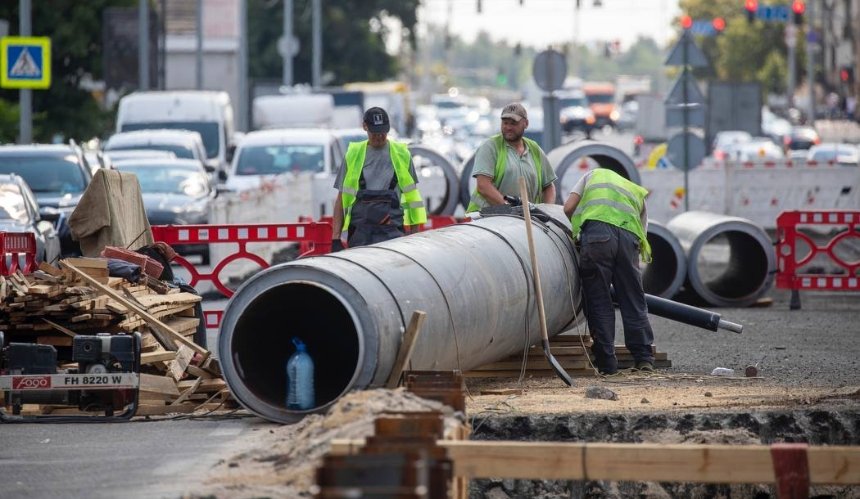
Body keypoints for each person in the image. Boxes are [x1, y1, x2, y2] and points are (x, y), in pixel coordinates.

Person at [563, 167, 655, 375]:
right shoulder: (635, 191)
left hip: (597, 236)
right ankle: (643, 359)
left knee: (599, 300)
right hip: (629, 239)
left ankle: (607, 364)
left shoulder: (592, 175)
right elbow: (642, 231)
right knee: (633, 299)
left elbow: (568, 208)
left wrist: (578, 233)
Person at [331, 107, 426, 250]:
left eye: (383, 132)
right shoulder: (353, 155)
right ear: (365, 127)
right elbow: (341, 199)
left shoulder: (402, 154)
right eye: (375, 132)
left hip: (393, 233)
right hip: (360, 234)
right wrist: (335, 238)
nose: (379, 136)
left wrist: (414, 235)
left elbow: (412, 199)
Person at [466, 103, 556, 212]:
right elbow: (483, 186)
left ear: (526, 124)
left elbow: (548, 187)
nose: (508, 127)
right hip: (487, 219)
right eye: (505, 123)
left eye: (513, 123)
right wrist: (509, 209)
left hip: (525, 221)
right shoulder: (490, 146)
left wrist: (547, 211)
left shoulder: (534, 149)